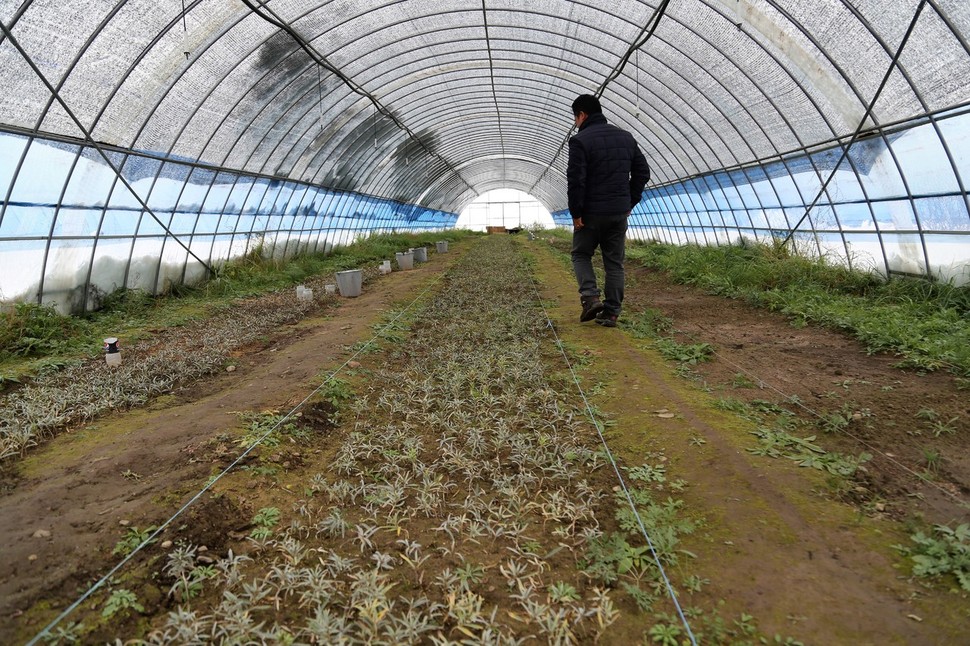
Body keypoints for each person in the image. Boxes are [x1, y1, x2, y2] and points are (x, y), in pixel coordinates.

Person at [567, 93, 650, 327]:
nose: (576, 123)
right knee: (614, 262)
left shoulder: (580, 141)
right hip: (617, 213)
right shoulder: (626, 137)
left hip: (591, 213)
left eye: (575, 118)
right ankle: (612, 313)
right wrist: (629, 202)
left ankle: (591, 298)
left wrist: (576, 213)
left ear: (582, 115)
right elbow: (642, 173)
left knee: (581, 254)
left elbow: (576, 180)